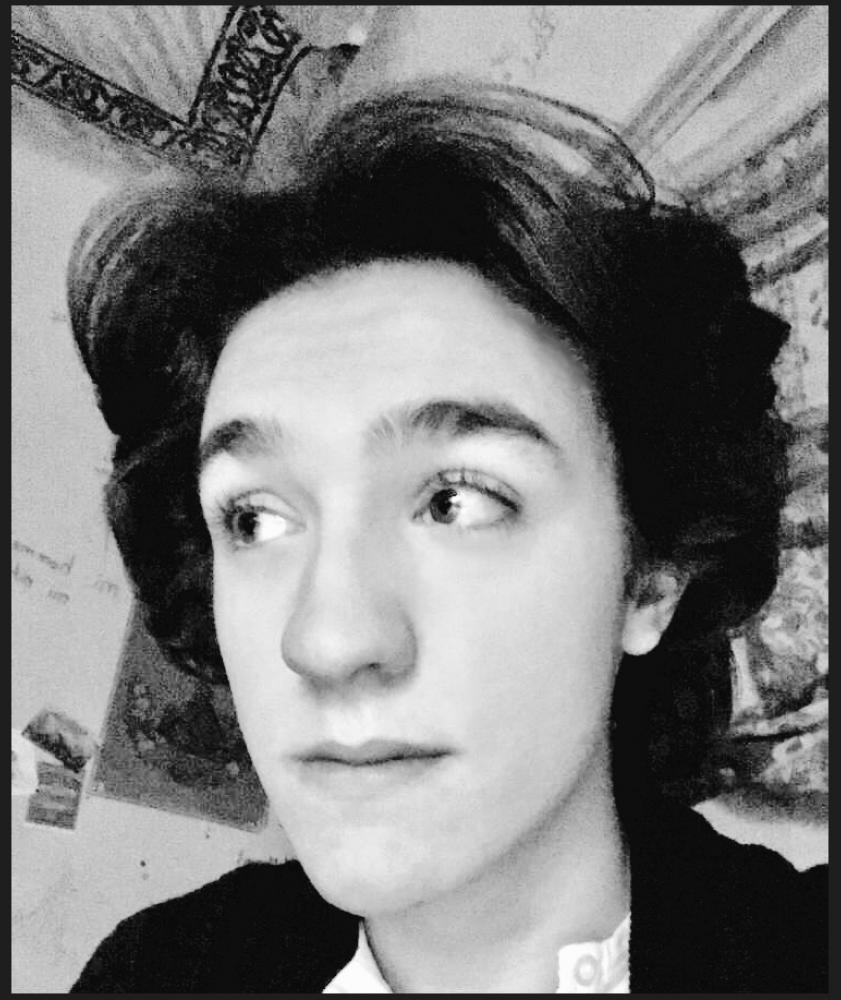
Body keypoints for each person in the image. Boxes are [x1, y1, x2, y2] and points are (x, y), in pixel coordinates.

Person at [67, 80, 826, 993]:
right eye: (254, 518)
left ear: (649, 580)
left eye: (455, 502)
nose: (325, 641)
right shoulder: (150, 976)